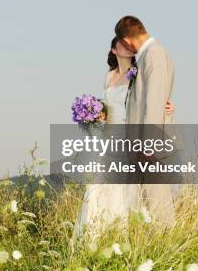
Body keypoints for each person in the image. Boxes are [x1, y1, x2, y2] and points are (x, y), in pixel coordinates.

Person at [75, 36, 175, 237]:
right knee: (99, 189)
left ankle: (124, 236)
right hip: (109, 138)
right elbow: (108, 107)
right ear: (114, 50)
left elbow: (151, 99)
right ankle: (95, 235)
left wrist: (167, 108)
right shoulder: (109, 76)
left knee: (126, 189)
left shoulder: (136, 75)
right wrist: (95, 114)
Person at [116, 15, 176, 227]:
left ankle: (171, 254)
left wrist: (148, 146)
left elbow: (153, 101)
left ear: (126, 41)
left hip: (150, 149)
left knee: (158, 208)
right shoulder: (147, 55)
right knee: (145, 208)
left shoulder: (154, 54)